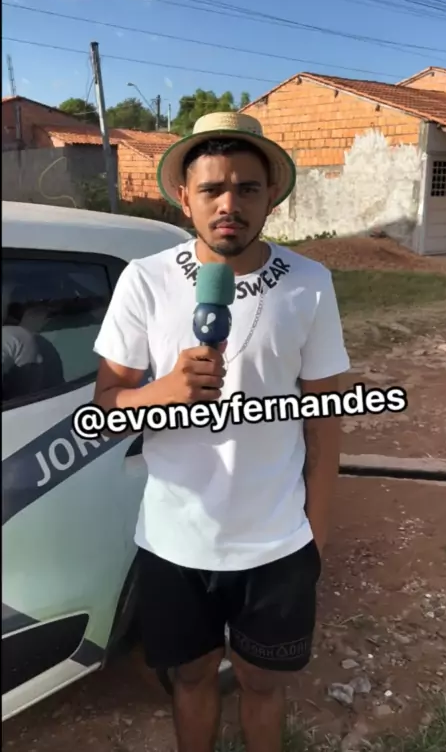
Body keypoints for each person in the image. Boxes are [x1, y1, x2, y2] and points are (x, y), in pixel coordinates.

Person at [92, 111, 350, 752]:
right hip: (175, 542)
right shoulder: (145, 281)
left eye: (247, 188)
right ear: (184, 198)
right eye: (211, 189)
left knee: (263, 683)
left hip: (277, 543)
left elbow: (325, 419)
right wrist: (161, 392)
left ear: (271, 197)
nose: (229, 204)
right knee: (190, 676)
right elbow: (105, 410)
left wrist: (316, 532)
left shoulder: (310, 284)